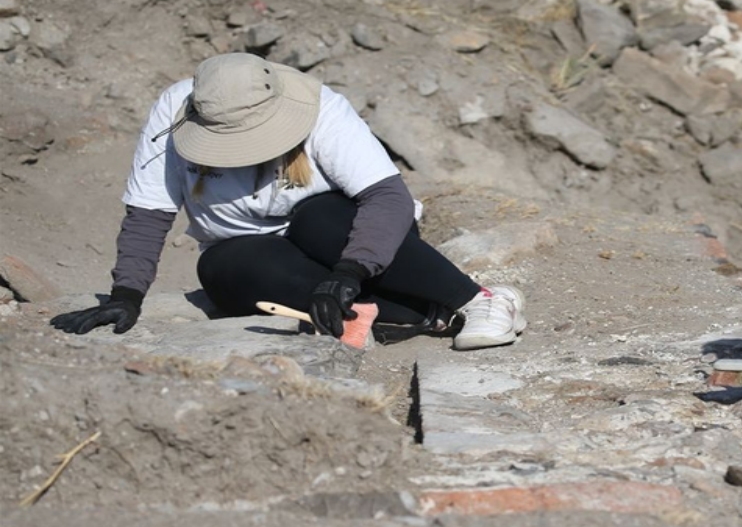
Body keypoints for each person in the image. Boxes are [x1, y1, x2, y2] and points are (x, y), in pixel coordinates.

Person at [51, 53, 526, 351]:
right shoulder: (172, 113)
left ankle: (479, 299)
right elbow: (148, 214)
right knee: (221, 268)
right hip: (260, 252)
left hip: (350, 240)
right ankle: (416, 316)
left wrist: (350, 272)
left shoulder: (323, 109)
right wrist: (126, 295)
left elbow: (388, 199)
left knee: (317, 217)